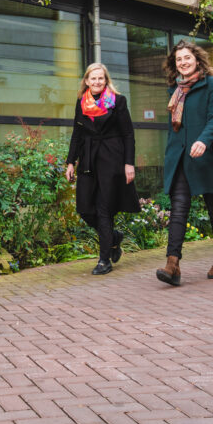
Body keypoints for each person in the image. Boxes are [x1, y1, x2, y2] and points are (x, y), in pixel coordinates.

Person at [157, 40, 213, 286]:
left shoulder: (211, 84)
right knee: (179, 207)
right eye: (179, 59)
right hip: (181, 157)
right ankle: (172, 264)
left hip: (206, 155)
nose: (183, 62)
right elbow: (174, 127)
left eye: (187, 58)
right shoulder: (175, 89)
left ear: (197, 59)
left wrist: (203, 140)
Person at [65, 63, 140, 275]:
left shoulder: (117, 101)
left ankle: (104, 260)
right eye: (93, 78)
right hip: (88, 160)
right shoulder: (82, 103)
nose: (97, 82)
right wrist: (70, 162)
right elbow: (77, 134)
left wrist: (129, 163)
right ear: (87, 81)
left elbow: (128, 134)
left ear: (106, 80)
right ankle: (113, 238)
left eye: (101, 78)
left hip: (111, 159)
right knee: (84, 209)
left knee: (104, 209)